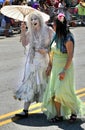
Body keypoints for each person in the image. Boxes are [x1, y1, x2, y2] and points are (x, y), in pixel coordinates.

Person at [42, 13, 85, 123]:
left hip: (65, 68)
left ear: (59, 26)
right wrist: (50, 66)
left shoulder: (68, 37)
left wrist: (64, 70)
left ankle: (74, 111)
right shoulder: (56, 36)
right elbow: (52, 53)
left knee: (64, 92)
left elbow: (70, 56)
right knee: (55, 93)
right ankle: (59, 115)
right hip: (56, 68)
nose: (52, 26)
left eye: (54, 24)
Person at [13, 11, 55, 117]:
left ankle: (51, 108)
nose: (33, 21)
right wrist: (23, 31)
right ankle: (25, 110)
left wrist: (46, 50)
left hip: (44, 61)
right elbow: (24, 43)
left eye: (35, 19)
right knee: (30, 83)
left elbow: (56, 44)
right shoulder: (30, 32)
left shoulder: (48, 30)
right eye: (31, 20)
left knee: (45, 83)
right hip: (32, 62)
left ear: (40, 20)